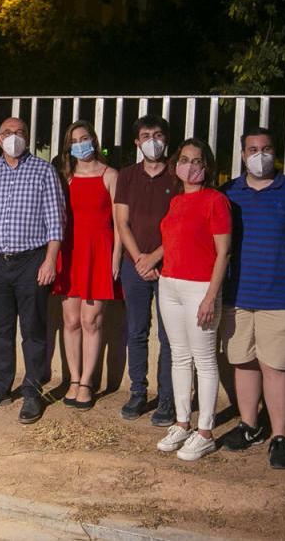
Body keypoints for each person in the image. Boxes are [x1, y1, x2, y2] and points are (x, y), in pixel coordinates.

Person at [220, 128, 285, 469]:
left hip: (281, 296)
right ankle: (249, 425)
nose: (259, 154)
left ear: (275, 152)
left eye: (266, 148)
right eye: (252, 149)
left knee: (277, 367)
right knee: (243, 362)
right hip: (238, 295)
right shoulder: (229, 193)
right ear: (241, 154)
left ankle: (279, 436)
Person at [0, 117, 66, 424]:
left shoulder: (44, 172)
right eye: (8, 133)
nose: (14, 138)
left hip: (31, 261)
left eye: (20, 133)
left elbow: (56, 220)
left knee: (34, 330)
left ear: (27, 137)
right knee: (0, 330)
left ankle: (32, 391)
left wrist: (50, 260)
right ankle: (0, 386)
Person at [153, 138, 231, 461]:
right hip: (169, 285)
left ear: (207, 166)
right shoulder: (175, 201)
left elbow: (223, 252)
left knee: (205, 360)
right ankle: (183, 423)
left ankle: (205, 431)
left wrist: (211, 296)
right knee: (179, 357)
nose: (190, 166)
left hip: (200, 288)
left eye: (197, 161)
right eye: (184, 159)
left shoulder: (216, 201)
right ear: (176, 164)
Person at [53, 121, 122, 410]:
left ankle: (87, 382)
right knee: (70, 321)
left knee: (91, 321)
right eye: (75, 140)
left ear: (94, 139)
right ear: (69, 147)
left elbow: (120, 224)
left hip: (99, 252)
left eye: (85, 137)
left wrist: (116, 257)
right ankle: (73, 378)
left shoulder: (111, 175)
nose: (81, 143)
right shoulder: (65, 177)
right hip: (70, 252)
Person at [113, 116, 177, 425]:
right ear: (137, 142)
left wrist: (155, 258)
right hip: (133, 266)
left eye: (158, 135)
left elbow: (180, 226)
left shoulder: (178, 176)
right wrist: (140, 258)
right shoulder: (127, 176)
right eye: (146, 135)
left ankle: (167, 399)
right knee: (136, 331)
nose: (152, 140)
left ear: (166, 139)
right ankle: (138, 392)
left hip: (170, 267)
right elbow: (121, 222)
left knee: (169, 336)